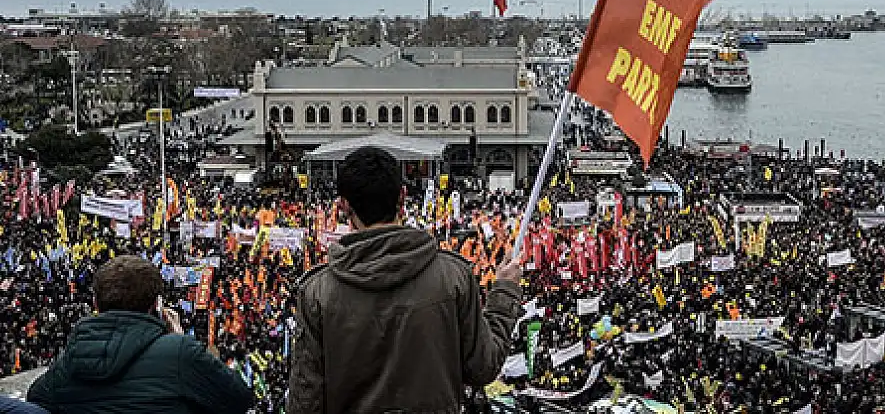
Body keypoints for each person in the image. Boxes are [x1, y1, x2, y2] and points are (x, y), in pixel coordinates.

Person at [286, 146, 524, 414]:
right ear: (402, 197)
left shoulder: (317, 293)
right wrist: (504, 291)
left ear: (342, 207)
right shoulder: (453, 277)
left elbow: (305, 402)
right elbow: (483, 367)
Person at [26, 256, 253, 414]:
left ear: (95, 303)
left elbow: (35, 400)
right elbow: (238, 400)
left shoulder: (71, 359)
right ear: (156, 305)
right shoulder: (180, 353)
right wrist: (182, 338)